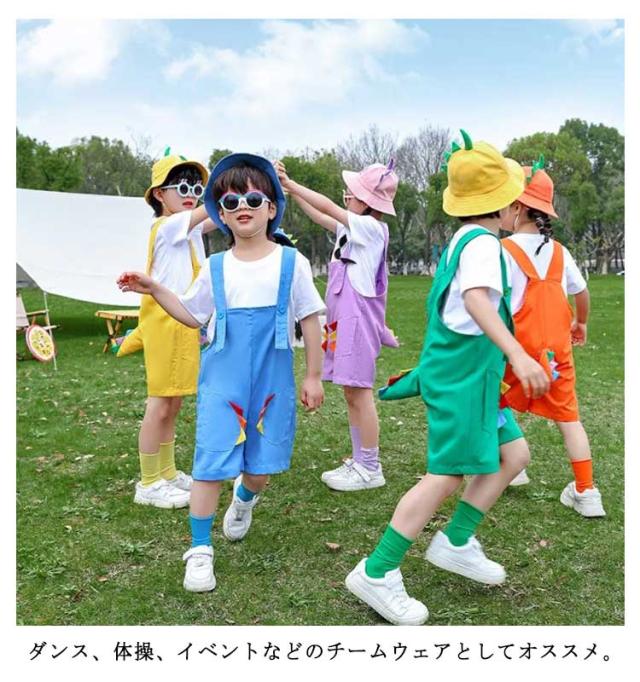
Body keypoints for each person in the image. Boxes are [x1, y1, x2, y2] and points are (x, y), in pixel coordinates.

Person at [344, 130, 550, 625]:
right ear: (506, 204)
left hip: (472, 381)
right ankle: (377, 571)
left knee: (513, 454)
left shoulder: (465, 238)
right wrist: (519, 356)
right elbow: (477, 300)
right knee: (447, 474)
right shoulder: (483, 246)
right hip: (462, 382)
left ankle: (456, 541)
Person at [118, 153, 325, 592]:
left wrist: (313, 376)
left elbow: (310, 319)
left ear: (271, 207)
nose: (242, 206)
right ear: (221, 215)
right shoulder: (216, 267)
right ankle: (199, 549)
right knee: (210, 464)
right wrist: (154, 288)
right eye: (230, 202)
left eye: (253, 198)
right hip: (222, 382)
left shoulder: (293, 263)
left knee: (261, 469)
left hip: (272, 383)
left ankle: (245, 499)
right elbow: (191, 315)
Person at [275, 159, 399, 492]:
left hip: (356, 323)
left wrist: (293, 183)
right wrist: (292, 191)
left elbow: (328, 207)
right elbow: (322, 215)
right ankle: (360, 459)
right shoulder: (352, 230)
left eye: (352, 193)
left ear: (368, 202)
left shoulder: (371, 228)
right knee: (350, 391)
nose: (346, 197)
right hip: (343, 323)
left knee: (359, 392)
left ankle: (370, 466)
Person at [500, 157, 605, 517]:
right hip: (556, 356)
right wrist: (581, 322)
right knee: (569, 420)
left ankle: (510, 463)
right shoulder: (560, 252)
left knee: (494, 402)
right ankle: (586, 491)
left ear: (518, 207)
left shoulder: (503, 251)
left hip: (516, 352)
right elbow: (581, 291)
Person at [117, 148, 217, 509]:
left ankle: (167, 472)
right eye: (183, 187)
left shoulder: (188, 226)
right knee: (159, 403)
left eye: (197, 188)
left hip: (182, 320)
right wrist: (232, 185)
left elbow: (219, 216)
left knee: (173, 403)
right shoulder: (168, 226)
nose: (192, 194)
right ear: (160, 194)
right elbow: (214, 211)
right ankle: (148, 482)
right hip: (163, 321)